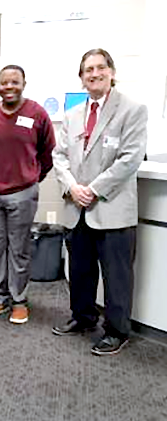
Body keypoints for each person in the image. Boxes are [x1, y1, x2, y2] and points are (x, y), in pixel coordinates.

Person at [52, 48, 148, 356]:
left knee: (116, 274)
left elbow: (130, 159)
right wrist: (72, 187)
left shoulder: (131, 109)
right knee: (79, 270)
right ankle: (82, 317)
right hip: (76, 207)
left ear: (111, 71)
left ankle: (117, 331)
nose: (94, 73)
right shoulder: (72, 114)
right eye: (87, 70)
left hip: (111, 207)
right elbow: (60, 157)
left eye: (99, 67)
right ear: (81, 78)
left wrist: (92, 189)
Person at [0, 65, 56, 324]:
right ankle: (0, 298)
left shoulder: (37, 114)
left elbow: (48, 152)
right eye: (4, 82)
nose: (9, 87)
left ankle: (19, 300)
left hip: (22, 193)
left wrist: (32, 179)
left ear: (24, 83)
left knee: (19, 249)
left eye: (15, 82)